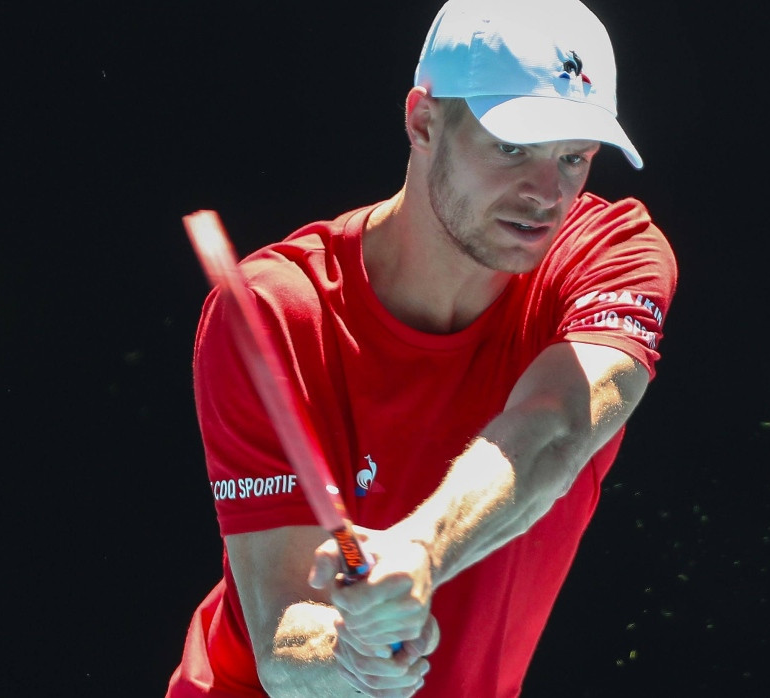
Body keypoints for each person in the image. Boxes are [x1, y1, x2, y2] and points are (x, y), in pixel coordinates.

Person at [167, 0, 677, 695]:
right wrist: (348, 653)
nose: (545, 193)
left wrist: (420, 549)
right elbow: (279, 639)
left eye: (572, 158)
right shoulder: (272, 308)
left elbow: (557, 428)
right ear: (423, 121)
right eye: (511, 148)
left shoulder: (614, 255)